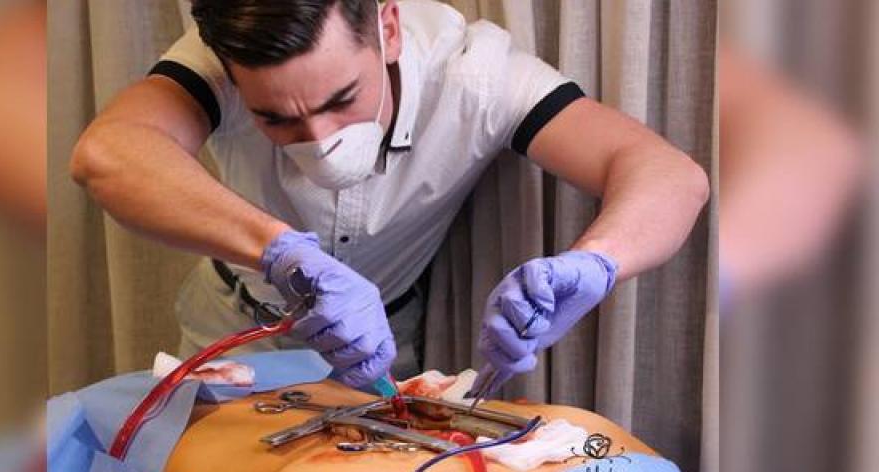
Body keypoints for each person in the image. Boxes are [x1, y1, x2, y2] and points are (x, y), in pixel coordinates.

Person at [70, 0, 708, 390]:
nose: (317, 141)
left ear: (390, 30)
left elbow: (666, 172)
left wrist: (594, 262)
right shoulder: (216, 61)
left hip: (381, 344)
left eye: (341, 100)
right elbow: (108, 154)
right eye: (277, 120)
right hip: (234, 323)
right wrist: (282, 252)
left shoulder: (476, 76)